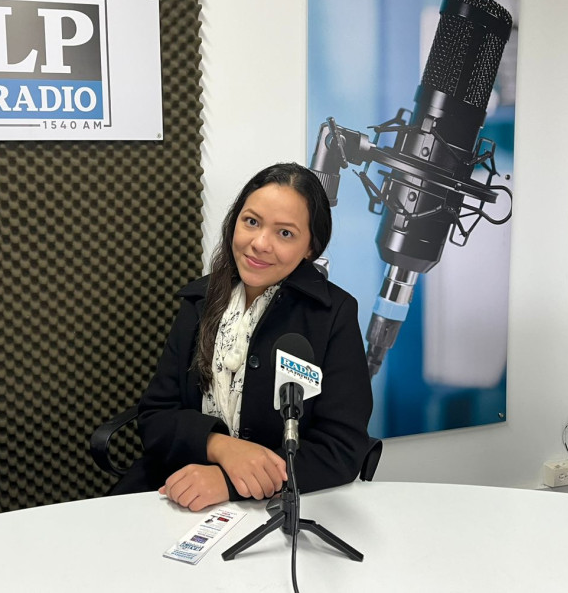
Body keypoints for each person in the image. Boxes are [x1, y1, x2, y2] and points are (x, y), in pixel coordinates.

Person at [111, 162, 373, 511]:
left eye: (285, 233)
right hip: (177, 485)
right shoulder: (199, 301)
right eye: (251, 222)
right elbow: (155, 416)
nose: (260, 243)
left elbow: (341, 447)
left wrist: (229, 481)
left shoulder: (333, 314)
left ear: (311, 247)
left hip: (275, 505)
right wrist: (221, 447)